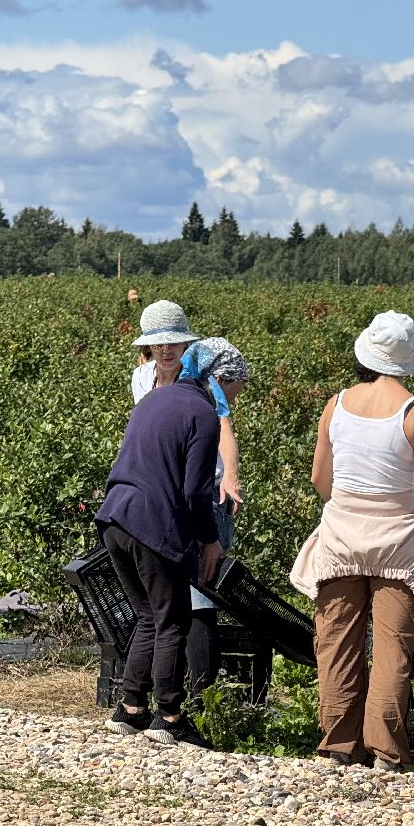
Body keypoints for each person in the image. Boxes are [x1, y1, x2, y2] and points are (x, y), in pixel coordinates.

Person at [290, 310, 414, 771]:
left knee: (335, 643)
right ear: (406, 359)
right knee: (394, 647)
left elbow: (319, 477)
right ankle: (387, 755)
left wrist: (347, 507)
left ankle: (337, 747)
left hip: (340, 539)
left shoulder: (336, 403)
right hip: (399, 544)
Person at [97, 353, 223, 749]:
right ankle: (169, 716)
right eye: (233, 386)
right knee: (172, 621)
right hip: (151, 524)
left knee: (147, 617)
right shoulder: (202, 414)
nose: (233, 396)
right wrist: (208, 539)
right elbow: (195, 491)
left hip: (115, 518)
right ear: (216, 380)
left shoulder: (154, 399)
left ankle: (131, 707)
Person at [129, 302, 246, 698]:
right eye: (158, 345)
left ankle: (200, 695)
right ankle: (164, 693)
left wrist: (230, 475)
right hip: (164, 496)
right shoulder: (141, 381)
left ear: (184, 344)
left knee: (200, 593)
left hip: (201, 489)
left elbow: (223, 428)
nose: (166, 351)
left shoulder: (202, 380)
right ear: (147, 349)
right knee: (165, 597)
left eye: (174, 343)